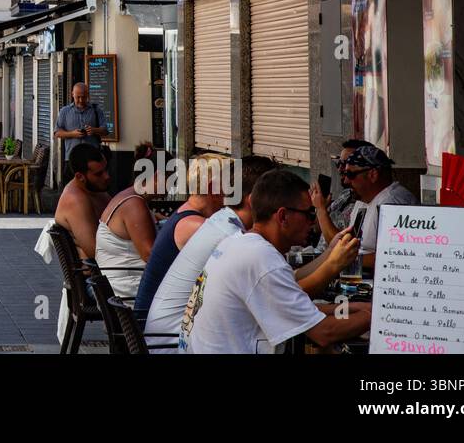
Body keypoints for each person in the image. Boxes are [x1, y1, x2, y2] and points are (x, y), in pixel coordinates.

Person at [142, 157, 361, 350]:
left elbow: (282, 283)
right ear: (257, 198)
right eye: (308, 214)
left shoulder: (231, 230)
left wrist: (330, 255)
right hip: (167, 343)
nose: (311, 221)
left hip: (177, 339)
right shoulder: (233, 238)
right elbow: (288, 299)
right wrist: (333, 267)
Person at [133, 154, 229, 315]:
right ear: (213, 188)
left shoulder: (184, 213)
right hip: (160, 334)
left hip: (153, 324)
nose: (231, 192)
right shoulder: (194, 226)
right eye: (229, 184)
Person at [334, 144, 417, 271]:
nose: (346, 181)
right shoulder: (362, 199)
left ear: (373, 175)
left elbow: (396, 257)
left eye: (350, 175)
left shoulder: (393, 203)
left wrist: (344, 258)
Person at [94, 175, 157, 302]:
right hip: (126, 290)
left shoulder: (126, 197)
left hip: (114, 286)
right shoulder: (134, 204)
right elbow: (150, 255)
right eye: (170, 177)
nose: (172, 185)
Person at [310, 138, 374, 244]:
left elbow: (341, 246)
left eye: (345, 164)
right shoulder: (346, 194)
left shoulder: (366, 202)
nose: (340, 169)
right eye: (339, 163)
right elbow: (317, 228)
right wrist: (322, 208)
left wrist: (321, 209)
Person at [53, 144, 112, 260]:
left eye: (106, 169)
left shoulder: (95, 188)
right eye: (98, 174)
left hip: (109, 264)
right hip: (96, 274)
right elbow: (94, 251)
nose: (106, 176)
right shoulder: (76, 200)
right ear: (80, 176)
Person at [54, 83, 109, 181]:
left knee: (93, 190)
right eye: (77, 97)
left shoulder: (96, 110)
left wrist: (94, 130)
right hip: (71, 159)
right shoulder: (64, 111)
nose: (80, 100)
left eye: (83, 97)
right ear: (72, 94)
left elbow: (105, 131)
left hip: (92, 160)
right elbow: (57, 133)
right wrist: (72, 134)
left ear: (87, 95)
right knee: (70, 190)